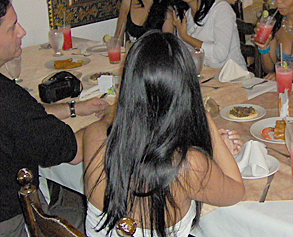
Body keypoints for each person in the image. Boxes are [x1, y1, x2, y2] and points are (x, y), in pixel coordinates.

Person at [83, 30, 245, 237]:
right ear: (187, 91)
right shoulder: (187, 165)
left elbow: (125, 132)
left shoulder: (93, 136)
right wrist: (207, 122)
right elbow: (236, 190)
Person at [0, 0, 109, 237]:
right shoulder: (8, 100)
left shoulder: (12, 102)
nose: (22, 32)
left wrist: (74, 108)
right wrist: (114, 115)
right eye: (12, 27)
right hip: (12, 219)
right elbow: (75, 151)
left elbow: (29, 115)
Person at [172, 0, 247, 70]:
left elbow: (220, 55)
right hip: (203, 77)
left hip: (232, 77)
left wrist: (185, 37)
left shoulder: (221, 9)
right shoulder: (185, 16)